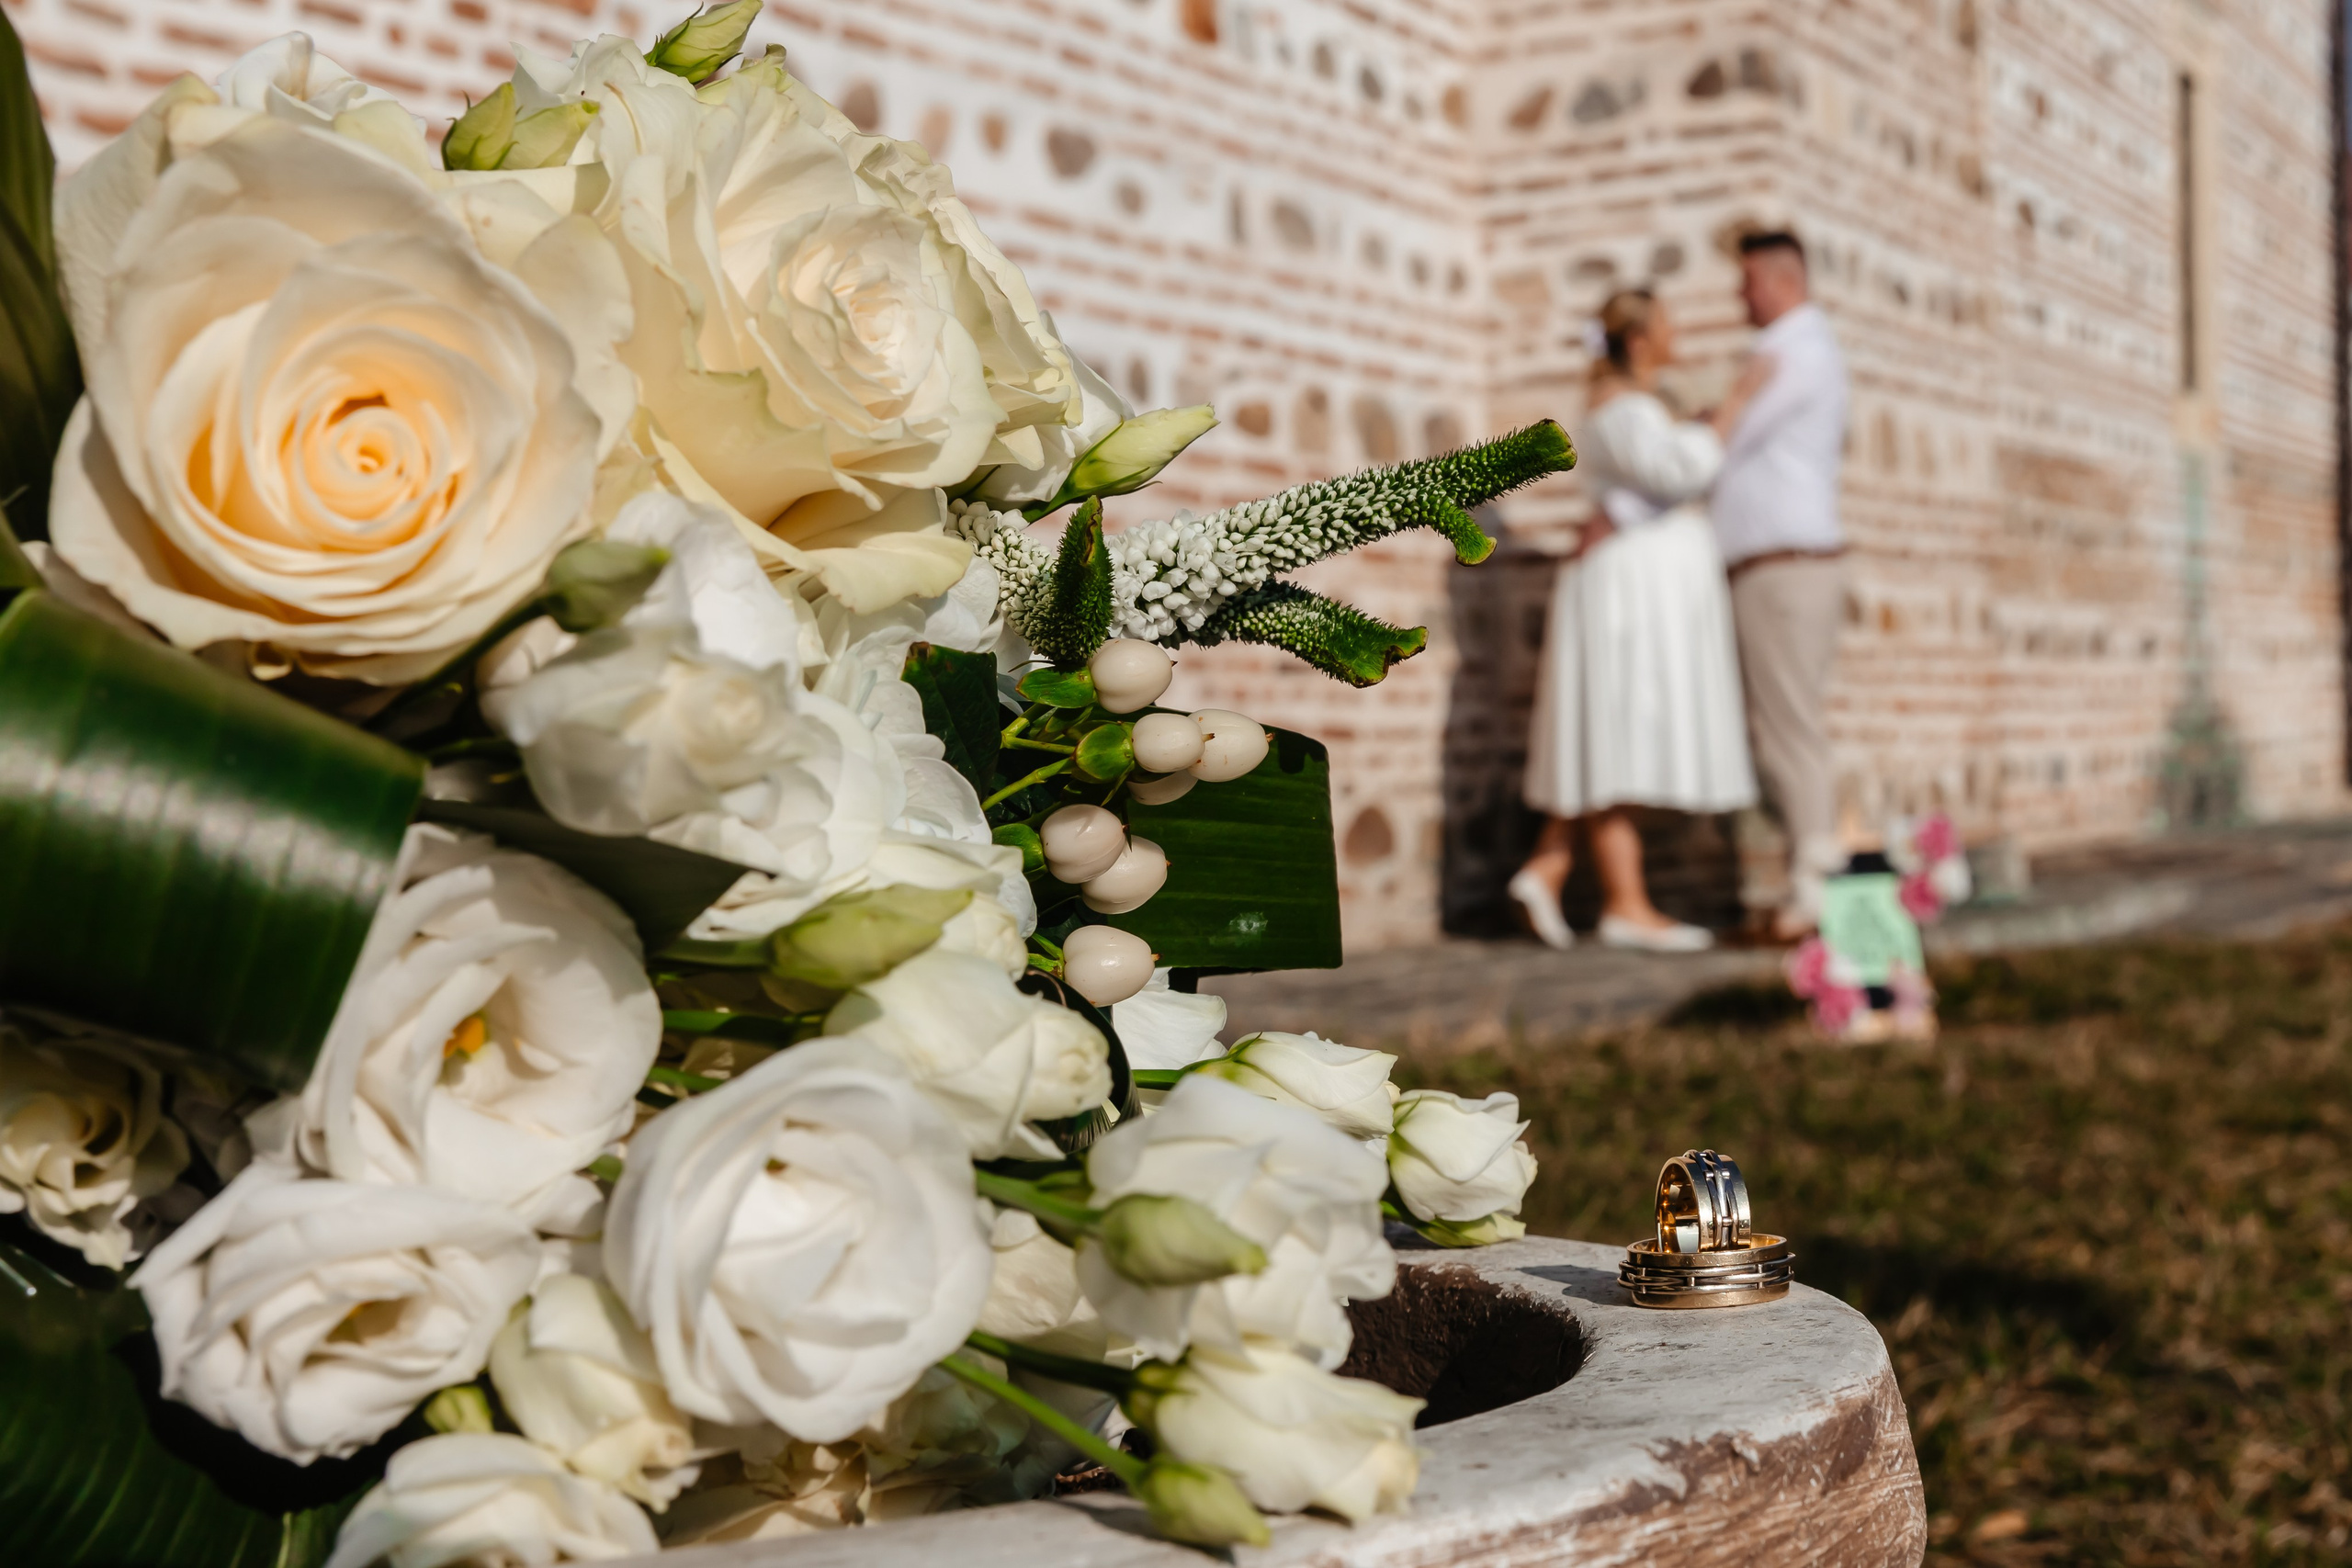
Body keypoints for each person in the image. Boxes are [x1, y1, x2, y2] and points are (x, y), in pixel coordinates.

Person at [1510, 289, 1766, 953]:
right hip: (1628, 595)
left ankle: (1550, 862)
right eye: (1667, 321)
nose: (1678, 330)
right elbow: (1673, 471)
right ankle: (1625, 903)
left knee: (1612, 727)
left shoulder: (1636, 408)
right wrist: (1728, 414)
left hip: (1637, 585)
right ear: (1641, 339)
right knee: (1619, 728)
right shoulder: (1623, 408)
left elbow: (1644, 483)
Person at [1713, 230, 1851, 941]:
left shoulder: (1795, 355)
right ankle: (1807, 876)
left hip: (1784, 567)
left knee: (1789, 728)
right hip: (1775, 566)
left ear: (1781, 279)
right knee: (1781, 728)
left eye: (1747, 281)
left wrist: (1726, 402)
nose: (1739, 295)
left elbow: (1721, 443)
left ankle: (1816, 887)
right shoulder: (1795, 351)